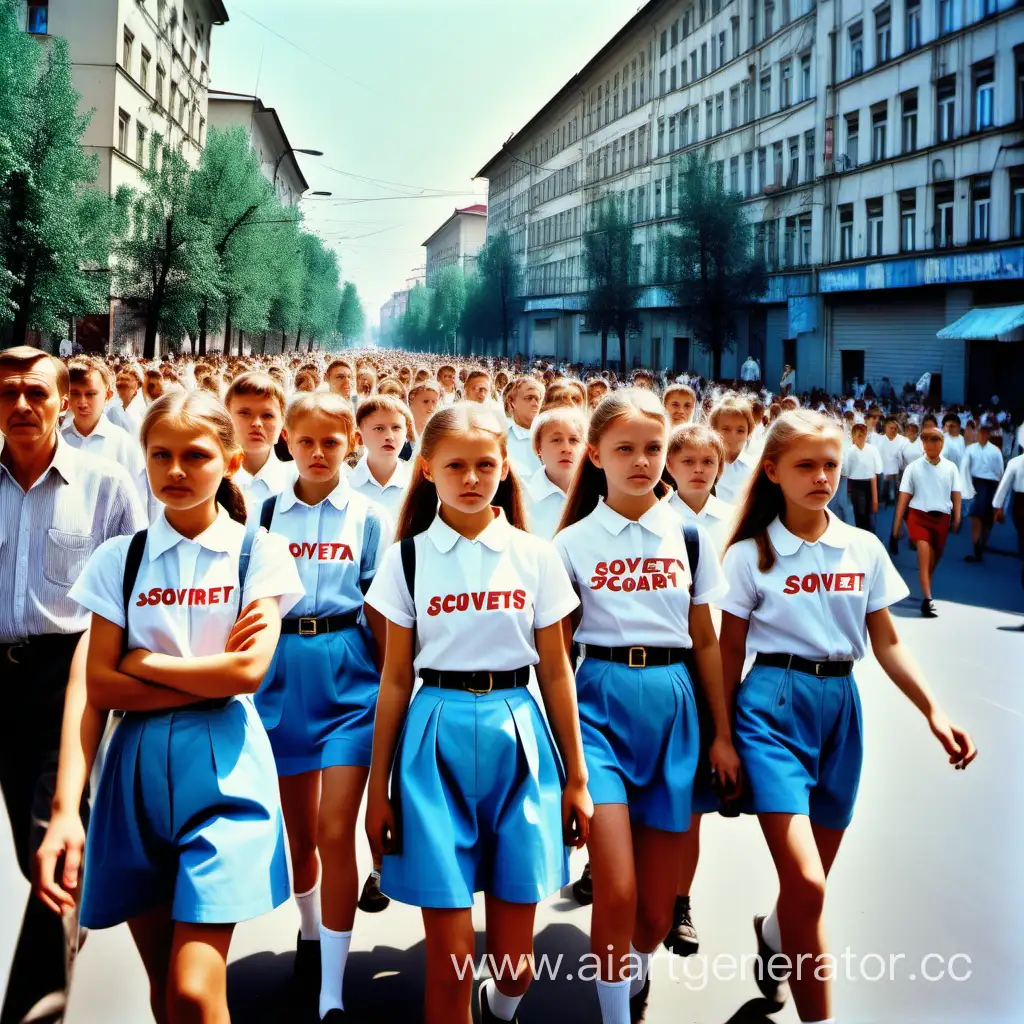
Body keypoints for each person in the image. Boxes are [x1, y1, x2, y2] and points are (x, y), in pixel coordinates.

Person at [718, 410, 976, 1024]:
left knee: (808, 891)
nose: (822, 476)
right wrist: (722, 736)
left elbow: (885, 641)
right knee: (808, 885)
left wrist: (934, 711)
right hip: (770, 712)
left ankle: (775, 935)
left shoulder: (860, 548)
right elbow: (728, 649)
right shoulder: (749, 555)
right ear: (773, 471)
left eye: (830, 464)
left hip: (841, 713)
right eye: (805, 465)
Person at [61, 390, 303, 1024]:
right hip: (134, 773)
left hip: (225, 768)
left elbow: (248, 674)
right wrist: (202, 675)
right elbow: (102, 688)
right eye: (160, 455)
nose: (175, 470)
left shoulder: (260, 552)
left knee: (197, 990)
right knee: (165, 998)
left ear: (228, 460)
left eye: (194, 456)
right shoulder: (121, 557)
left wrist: (143, 663)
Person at [363, 403, 591, 1024]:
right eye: (455, 465)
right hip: (431, 738)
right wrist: (377, 790)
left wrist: (576, 777)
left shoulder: (535, 555)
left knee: (516, 964)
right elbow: (393, 680)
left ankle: (500, 1008)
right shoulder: (405, 559)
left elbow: (556, 669)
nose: (471, 477)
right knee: (452, 958)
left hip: (519, 734)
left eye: (484, 464)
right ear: (428, 470)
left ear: (504, 468)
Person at [554, 390, 739, 1024]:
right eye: (625, 449)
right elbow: (554, 657)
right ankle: (613, 1011)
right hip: (599, 709)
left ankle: (633, 974)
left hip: (676, 713)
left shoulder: (690, 534)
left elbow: (707, 638)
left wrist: (722, 734)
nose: (642, 461)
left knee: (657, 914)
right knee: (617, 887)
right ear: (596, 455)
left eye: (653, 448)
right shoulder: (570, 545)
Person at [0, 346, 144, 1024]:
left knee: (53, 840)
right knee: (37, 861)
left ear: (66, 400)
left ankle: (33, 1012)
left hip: (71, 677)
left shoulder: (108, 484)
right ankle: (71, 911)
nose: (21, 405)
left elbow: (134, 588)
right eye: (7, 394)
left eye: (36, 392)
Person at [255, 392, 392, 1020]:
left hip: (348, 676)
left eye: (331, 442)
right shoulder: (263, 512)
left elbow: (380, 607)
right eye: (305, 441)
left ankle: (331, 992)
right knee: (300, 833)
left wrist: (399, 684)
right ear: (287, 439)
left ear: (351, 444)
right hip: (281, 673)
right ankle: (310, 936)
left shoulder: (366, 517)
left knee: (337, 830)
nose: (317, 453)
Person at [890, 427, 961, 617]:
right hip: (919, 516)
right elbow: (903, 498)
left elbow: (956, 494)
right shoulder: (913, 468)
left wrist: (957, 516)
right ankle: (928, 599)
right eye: (927, 440)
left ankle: (924, 587)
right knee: (924, 554)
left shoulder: (950, 468)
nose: (931, 444)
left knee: (934, 559)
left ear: (942, 443)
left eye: (935, 439)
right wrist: (896, 526)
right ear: (922, 444)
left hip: (942, 519)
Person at [61, 357, 146, 497]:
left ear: (107, 395)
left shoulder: (124, 445)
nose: (82, 403)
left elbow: (138, 499)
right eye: (75, 393)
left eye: (91, 394)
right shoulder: (58, 441)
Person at [225, 371, 294, 512]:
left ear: (282, 423)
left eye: (267, 415)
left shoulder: (299, 484)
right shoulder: (209, 482)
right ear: (226, 418)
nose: (257, 423)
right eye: (244, 413)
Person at [664, 423, 736, 557]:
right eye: (688, 461)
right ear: (669, 464)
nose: (698, 469)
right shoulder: (659, 517)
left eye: (707, 462)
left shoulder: (734, 519)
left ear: (719, 465)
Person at [524, 408, 587, 540]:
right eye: (556, 440)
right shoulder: (524, 498)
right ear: (539, 447)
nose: (566, 449)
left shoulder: (601, 495)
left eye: (574, 440)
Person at [349, 395, 414, 517]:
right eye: (379, 428)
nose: (389, 436)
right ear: (359, 436)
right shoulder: (347, 482)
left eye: (396, 428)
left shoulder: (416, 484)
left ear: (406, 433)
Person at [961, 424, 1004, 563]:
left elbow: (1000, 472)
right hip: (976, 483)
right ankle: (976, 545)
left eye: (986, 433)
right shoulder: (971, 449)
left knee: (988, 517)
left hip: (991, 484)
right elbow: (964, 468)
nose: (983, 436)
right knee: (976, 515)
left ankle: (982, 543)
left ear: (989, 435)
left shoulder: (995, 451)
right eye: (981, 433)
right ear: (978, 434)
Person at [710, 396, 758, 505]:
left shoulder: (755, 468)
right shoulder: (701, 465)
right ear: (713, 430)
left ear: (748, 433)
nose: (733, 436)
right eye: (726, 429)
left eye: (740, 431)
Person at [992, 450, 1024, 609]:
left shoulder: (1015, 462)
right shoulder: (1015, 462)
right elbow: (1004, 486)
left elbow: (1004, 486)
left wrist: (998, 507)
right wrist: (998, 507)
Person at [843, 422, 882, 532]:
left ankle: (872, 536)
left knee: (870, 514)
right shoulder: (849, 451)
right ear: (853, 436)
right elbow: (846, 472)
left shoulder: (872, 450)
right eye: (859, 435)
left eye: (864, 435)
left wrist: (875, 498)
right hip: (856, 485)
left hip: (870, 483)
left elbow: (875, 473)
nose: (862, 438)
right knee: (860, 514)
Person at [503, 377, 545, 479]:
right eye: (529, 398)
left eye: (538, 399)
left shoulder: (549, 433)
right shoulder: (501, 437)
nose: (535, 404)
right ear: (512, 401)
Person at [106, 364, 146, 436]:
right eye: (119, 387)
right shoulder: (111, 409)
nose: (121, 391)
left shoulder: (139, 415)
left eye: (125, 387)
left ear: (136, 390)